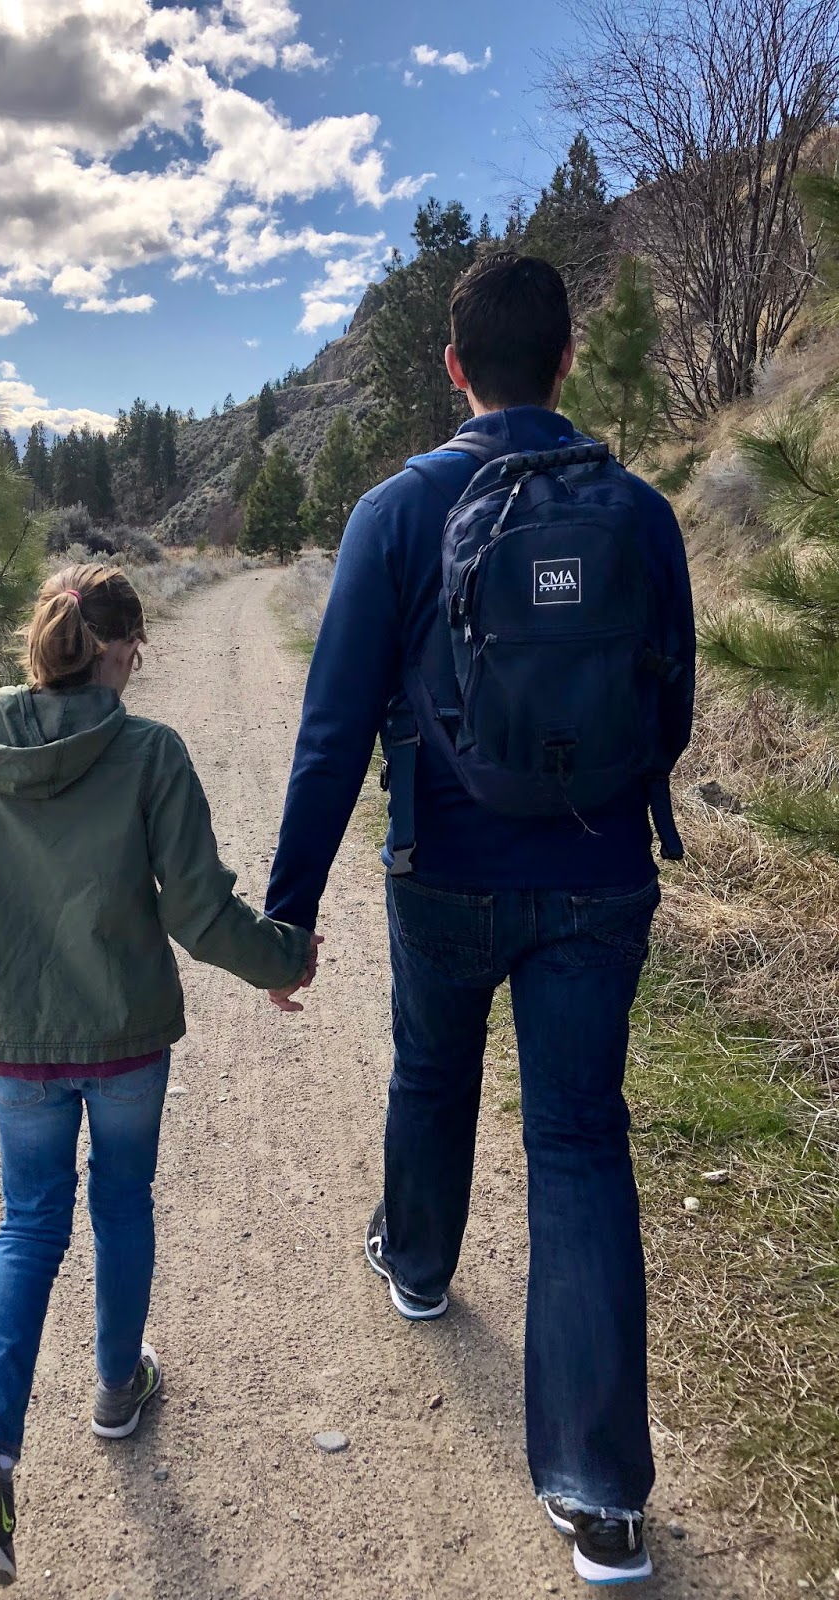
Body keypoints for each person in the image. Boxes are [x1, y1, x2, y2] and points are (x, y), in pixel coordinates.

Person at [264, 254, 695, 1588]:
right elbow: (670, 704)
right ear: (567, 359)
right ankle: (601, 1499)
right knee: (579, 1142)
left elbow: (334, 729)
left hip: (442, 867)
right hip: (599, 878)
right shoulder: (640, 511)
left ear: (454, 369)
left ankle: (417, 1263)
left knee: (433, 1070)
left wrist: (289, 912)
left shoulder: (396, 511)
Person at [0, 563, 319, 1587]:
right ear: (117, 649)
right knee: (121, 1202)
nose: (138, 664)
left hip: (15, 1033)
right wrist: (283, 961)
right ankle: (115, 1387)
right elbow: (197, 911)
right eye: (135, 649)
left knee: (28, 1224)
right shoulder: (148, 751)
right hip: (122, 1035)